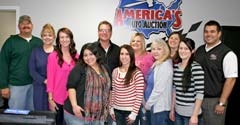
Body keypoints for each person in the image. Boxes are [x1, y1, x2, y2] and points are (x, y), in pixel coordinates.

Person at [195, 20, 238, 125]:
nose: (208, 34)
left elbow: (231, 79)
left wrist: (222, 103)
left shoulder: (227, 54)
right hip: (198, 99)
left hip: (214, 101)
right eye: (206, 31)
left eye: (212, 31)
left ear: (219, 34)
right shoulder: (200, 50)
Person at [0, 15, 42, 110]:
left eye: (28, 23)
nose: (25, 25)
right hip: (16, 85)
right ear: (19, 26)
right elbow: (2, 64)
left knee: (32, 115)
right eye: (23, 23)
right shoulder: (11, 42)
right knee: (16, 114)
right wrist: (3, 86)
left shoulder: (38, 42)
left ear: (32, 26)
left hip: (35, 85)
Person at [64, 43, 111, 125]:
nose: (88, 58)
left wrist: (109, 107)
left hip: (98, 115)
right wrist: (75, 106)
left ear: (97, 54)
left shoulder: (105, 68)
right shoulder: (79, 68)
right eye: (85, 55)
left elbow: (110, 89)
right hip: (77, 114)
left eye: (91, 54)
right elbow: (71, 87)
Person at [47, 27, 79, 125]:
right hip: (58, 98)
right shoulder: (53, 56)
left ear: (71, 39)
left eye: (67, 37)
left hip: (72, 98)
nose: (64, 39)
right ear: (58, 40)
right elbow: (50, 78)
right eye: (62, 37)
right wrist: (50, 99)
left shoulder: (77, 56)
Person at [170, 38, 204, 125]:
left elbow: (200, 93)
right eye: (181, 48)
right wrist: (172, 109)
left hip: (191, 115)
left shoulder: (196, 68)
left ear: (192, 51)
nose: (182, 51)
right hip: (178, 114)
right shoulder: (176, 67)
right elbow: (174, 90)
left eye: (186, 48)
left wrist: (194, 115)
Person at [93, 20, 120, 124]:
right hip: (95, 93)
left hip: (112, 93)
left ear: (111, 32)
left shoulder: (118, 50)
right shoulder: (91, 49)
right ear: (98, 32)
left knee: (110, 121)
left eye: (107, 30)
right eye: (102, 30)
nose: (104, 33)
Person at [110, 44, 145, 125]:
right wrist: (111, 108)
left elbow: (139, 96)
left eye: (127, 54)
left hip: (130, 112)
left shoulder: (137, 73)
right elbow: (113, 91)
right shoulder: (115, 71)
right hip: (117, 111)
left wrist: (134, 114)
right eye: (122, 54)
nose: (124, 56)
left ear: (131, 56)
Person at [144, 39, 173, 125]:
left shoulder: (165, 66)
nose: (155, 51)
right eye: (153, 49)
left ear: (165, 50)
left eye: (159, 49)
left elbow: (158, 89)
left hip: (160, 109)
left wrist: (148, 104)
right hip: (153, 106)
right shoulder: (157, 63)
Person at [29, 23, 55, 111]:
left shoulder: (59, 51)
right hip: (39, 86)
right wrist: (44, 80)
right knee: (40, 112)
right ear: (41, 37)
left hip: (56, 87)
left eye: (50, 35)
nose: (47, 37)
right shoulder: (35, 51)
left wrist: (52, 82)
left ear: (54, 37)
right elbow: (32, 70)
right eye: (44, 35)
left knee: (56, 113)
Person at [130, 32, 154, 125]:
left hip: (145, 96)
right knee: (132, 122)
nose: (135, 43)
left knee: (146, 122)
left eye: (138, 41)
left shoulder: (150, 56)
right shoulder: (127, 56)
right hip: (131, 96)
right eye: (133, 41)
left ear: (143, 43)